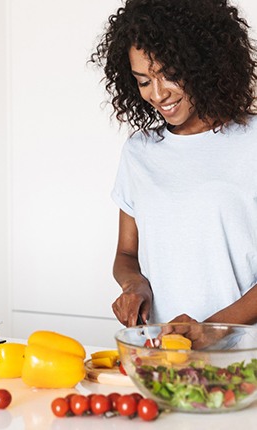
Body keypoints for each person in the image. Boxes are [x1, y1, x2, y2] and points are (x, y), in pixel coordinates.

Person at [91, 0, 257, 329]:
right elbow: (126, 254)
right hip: (166, 353)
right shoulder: (140, 152)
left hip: (244, 358)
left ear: (204, 64)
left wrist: (211, 330)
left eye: (170, 75)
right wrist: (134, 285)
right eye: (143, 81)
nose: (157, 94)